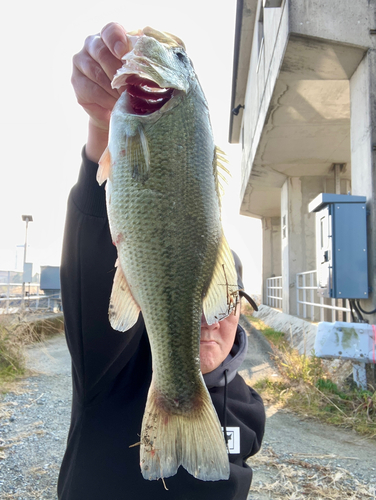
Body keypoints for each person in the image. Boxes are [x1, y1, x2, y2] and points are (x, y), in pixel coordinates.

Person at [58, 22, 265, 500]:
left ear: (236, 307)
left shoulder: (250, 412)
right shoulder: (109, 372)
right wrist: (98, 128)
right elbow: (92, 256)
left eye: (223, 301)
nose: (208, 319)